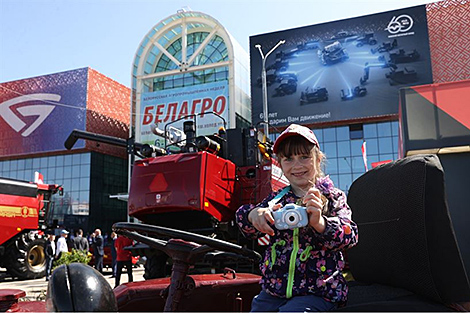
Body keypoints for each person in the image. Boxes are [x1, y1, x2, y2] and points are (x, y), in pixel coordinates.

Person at [236, 124, 358, 312]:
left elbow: (350, 236)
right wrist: (254, 215)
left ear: (318, 159)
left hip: (319, 292)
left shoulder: (333, 197)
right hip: (273, 292)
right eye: (288, 159)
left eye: (304, 157)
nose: (297, 166)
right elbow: (244, 223)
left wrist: (320, 223)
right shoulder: (275, 200)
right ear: (281, 164)